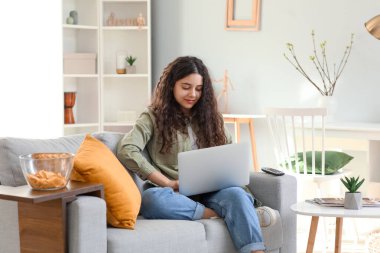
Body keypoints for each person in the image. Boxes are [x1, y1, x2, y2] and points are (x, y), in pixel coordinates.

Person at [117, 56, 265, 253]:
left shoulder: (212, 118)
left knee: (237, 194)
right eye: (186, 87)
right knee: (152, 200)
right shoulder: (152, 116)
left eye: (198, 88)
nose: (193, 94)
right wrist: (167, 182)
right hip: (174, 194)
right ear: (171, 86)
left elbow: (230, 153)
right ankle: (215, 213)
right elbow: (127, 149)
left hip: (213, 190)